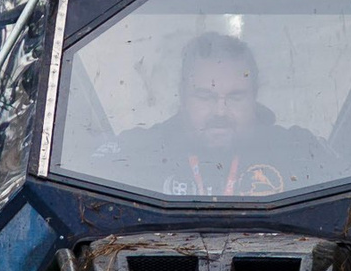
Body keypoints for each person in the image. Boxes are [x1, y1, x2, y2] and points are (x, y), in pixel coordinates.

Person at [89, 31, 336, 197]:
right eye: (205, 97)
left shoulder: (301, 153)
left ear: (254, 95)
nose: (220, 111)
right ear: (183, 96)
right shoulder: (133, 155)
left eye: (235, 97)